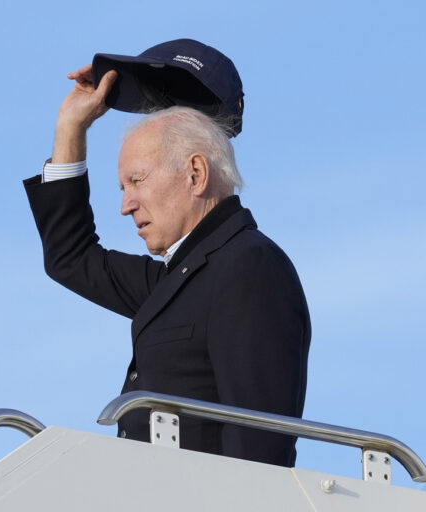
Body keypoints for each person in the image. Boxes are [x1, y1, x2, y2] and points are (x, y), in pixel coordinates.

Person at [24, 41, 311, 467]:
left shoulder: (249, 265)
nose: (126, 204)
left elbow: (258, 450)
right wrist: (71, 129)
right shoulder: (176, 279)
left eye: (137, 181)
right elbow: (71, 257)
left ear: (196, 173)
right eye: (123, 188)